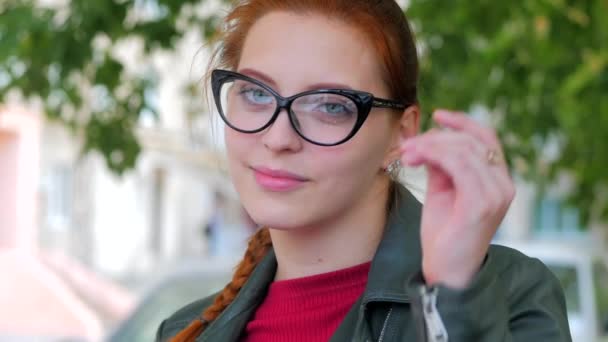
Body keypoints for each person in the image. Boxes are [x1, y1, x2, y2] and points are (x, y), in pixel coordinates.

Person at [156, 0, 572, 341]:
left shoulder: (506, 293)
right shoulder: (185, 332)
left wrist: (455, 301)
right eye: (255, 93)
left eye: (330, 105)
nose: (278, 137)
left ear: (401, 134)